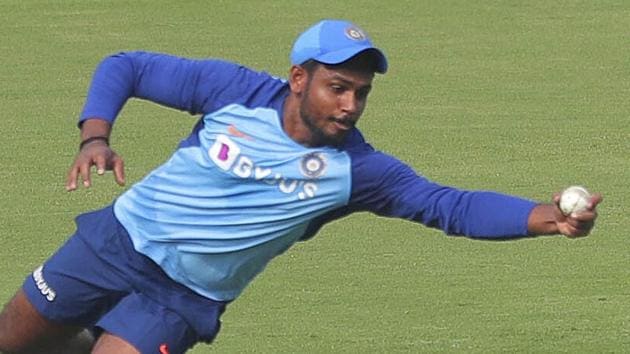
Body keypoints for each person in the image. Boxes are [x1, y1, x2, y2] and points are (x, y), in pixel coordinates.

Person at [0, 19, 601, 354]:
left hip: (181, 298)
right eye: (337, 87)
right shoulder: (233, 91)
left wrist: (546, 217)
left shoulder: (358, 171)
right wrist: (94, 139)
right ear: (297, 79)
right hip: (115, 242)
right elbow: (125, 65)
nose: (350, 105)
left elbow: (450, 206)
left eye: (361, 93)